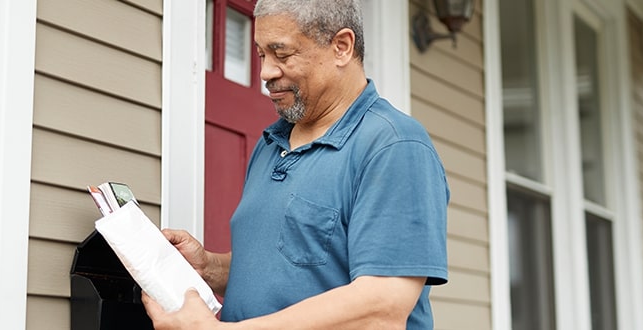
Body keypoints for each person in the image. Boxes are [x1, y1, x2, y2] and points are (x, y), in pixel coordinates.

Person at [142, 0, 449, 328]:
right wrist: (208, 267)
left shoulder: (394, 146)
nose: (265, 72)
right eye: (262, 54)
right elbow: (293, 269)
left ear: (341, 47)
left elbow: (382, 307)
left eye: (282, 54)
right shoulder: (271, 144)